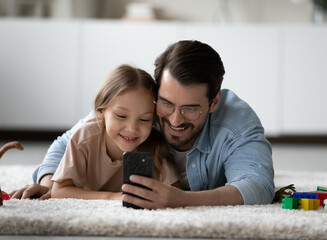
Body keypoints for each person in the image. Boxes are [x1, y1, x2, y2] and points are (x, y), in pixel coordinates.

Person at [11, 40, 274, 208]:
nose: (174, 119)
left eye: (190, 108)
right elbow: (68, 141)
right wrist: (49, 184)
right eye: (167, 104)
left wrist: (181, 200)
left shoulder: (237, 123)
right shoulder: (142, 108)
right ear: (156, 91)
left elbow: (258, 186)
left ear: (214, 101)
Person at [46, 64, 178, 200]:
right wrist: (111, 197)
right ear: (100, 110)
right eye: (121, 116)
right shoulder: (84, 138)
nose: (132, 129)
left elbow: (176, 191)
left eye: (144, 119)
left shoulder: (155, 144)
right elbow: (59, 191)